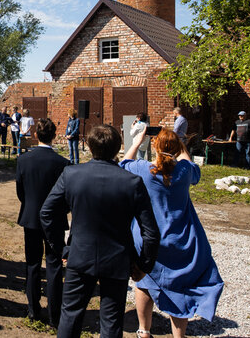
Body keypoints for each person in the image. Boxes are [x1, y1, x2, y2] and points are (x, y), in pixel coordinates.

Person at [41, 124, 160, 338]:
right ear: (118, 148)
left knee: (71, 315)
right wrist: (144, 265)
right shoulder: (132, 182)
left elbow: (47, 213)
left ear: (88, 145)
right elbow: (150, 231)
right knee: (112, 320)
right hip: (117, 258)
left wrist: (60, 248)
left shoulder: (72, 174)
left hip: (80, 254)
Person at [121, 128, 224, 338]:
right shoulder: (184, 171)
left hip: (148, 237)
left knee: (144, 283)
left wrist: (137, 142)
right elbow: (192, 167)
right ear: (177, 147)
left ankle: (144, 330)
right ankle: (179, 336)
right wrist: (180, 145)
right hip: (181, 236)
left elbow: (123, 165)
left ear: (155, 147)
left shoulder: (144, 170)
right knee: (180, 287)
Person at [16, 118, 70, 325]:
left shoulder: (23, 160)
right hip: (55, 218)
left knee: (32, 263)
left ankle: (33, 309)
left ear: (36, 135)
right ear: (54, 136)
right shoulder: (63, 164)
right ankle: (55, 314)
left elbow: (21, 191)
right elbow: (66, 196)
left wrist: (30, 205)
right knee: (55, 265)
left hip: (31, 216)